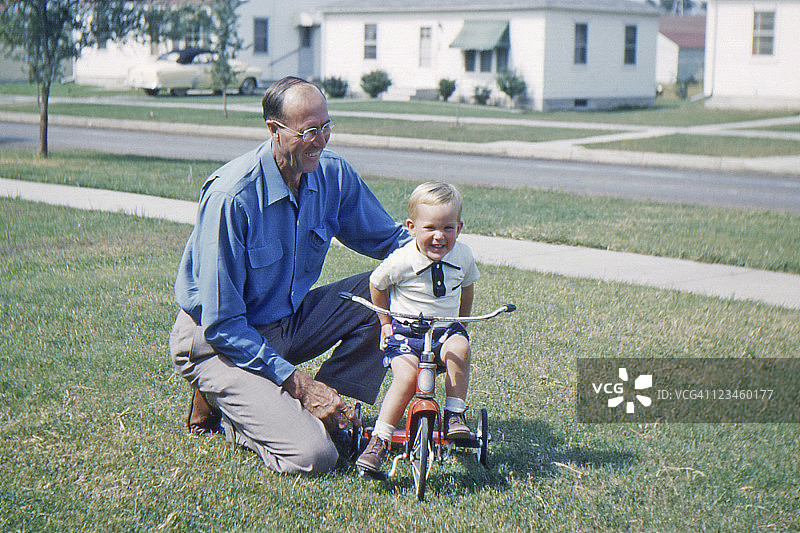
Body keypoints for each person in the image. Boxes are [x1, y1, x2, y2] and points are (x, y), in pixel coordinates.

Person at [168, 76, 410, 475]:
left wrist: (437, 257)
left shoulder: (333, 175)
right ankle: (228, 408)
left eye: (326, 127)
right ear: (274, 131)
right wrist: (300, 385)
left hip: (286, 323)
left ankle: (335, 413)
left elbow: (389, 240)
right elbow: (223, 323)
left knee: (387, 288)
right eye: (309, 131)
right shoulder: (232, 197)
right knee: (314, 456)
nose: (322, 141)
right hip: (219, 340)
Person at [355, 181, 480, 473]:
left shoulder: (463, 256)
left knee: (460, 347)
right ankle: (380, 439)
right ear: (411, 227)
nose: (439, 237)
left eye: (448, 228)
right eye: (430, 228)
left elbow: (468, 287)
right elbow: (376, 283)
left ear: (459, 228)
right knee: (407, 375)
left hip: (445, 330)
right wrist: (385, 323)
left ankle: (453, 415)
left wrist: (461, 322)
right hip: (406, 333)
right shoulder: (403, 259)